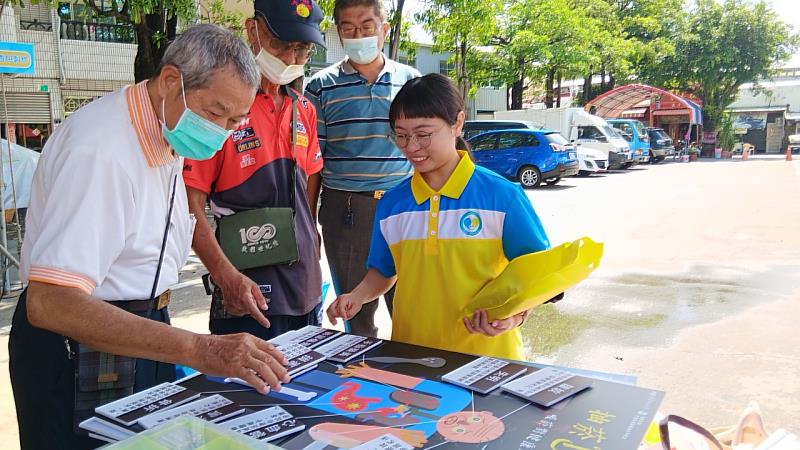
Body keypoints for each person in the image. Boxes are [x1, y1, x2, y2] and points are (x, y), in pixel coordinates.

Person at [9, 25, 290, 450]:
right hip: (80, 343)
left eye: (235, 120)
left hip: (142, 330)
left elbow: (172, 220)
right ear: (172, 81)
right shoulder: (101, 151)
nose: (223, 132)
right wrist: (203, 350)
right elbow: (51, 302)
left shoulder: (165, 130)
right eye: (215, 114)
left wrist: (226, 274)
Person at [326, 74, 551, 360]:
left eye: (423, 134)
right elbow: (384, 271)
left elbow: (538, 274)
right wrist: (356, 296)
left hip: (486, 358)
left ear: (457, 123)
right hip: (412, 356)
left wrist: (515, 316)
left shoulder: (502, 196)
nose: (411, 147)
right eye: (402, 135)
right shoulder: (392, 203)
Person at [184, 0, 326, 340]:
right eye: (281, 45)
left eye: (302, 50)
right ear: (253, 30)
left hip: (305, 286)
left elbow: (309, 184)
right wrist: (223, 275)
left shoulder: (303, 108)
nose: (291, 59)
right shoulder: (220, 109)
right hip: (247, 288)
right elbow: (188, 207)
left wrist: (311, 243)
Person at [305, 0, 421, 337]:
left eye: (367, 26)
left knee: (412, 307)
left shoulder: (411, 82)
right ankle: (364, 380)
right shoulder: (320, 86)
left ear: (384, 29)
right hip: (347, 210)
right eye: (348, 28)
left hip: (406, 206)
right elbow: (314, 163)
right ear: (339, 34)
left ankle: (416, 382)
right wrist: (309, 221)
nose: (359, 35)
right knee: (356, 313)